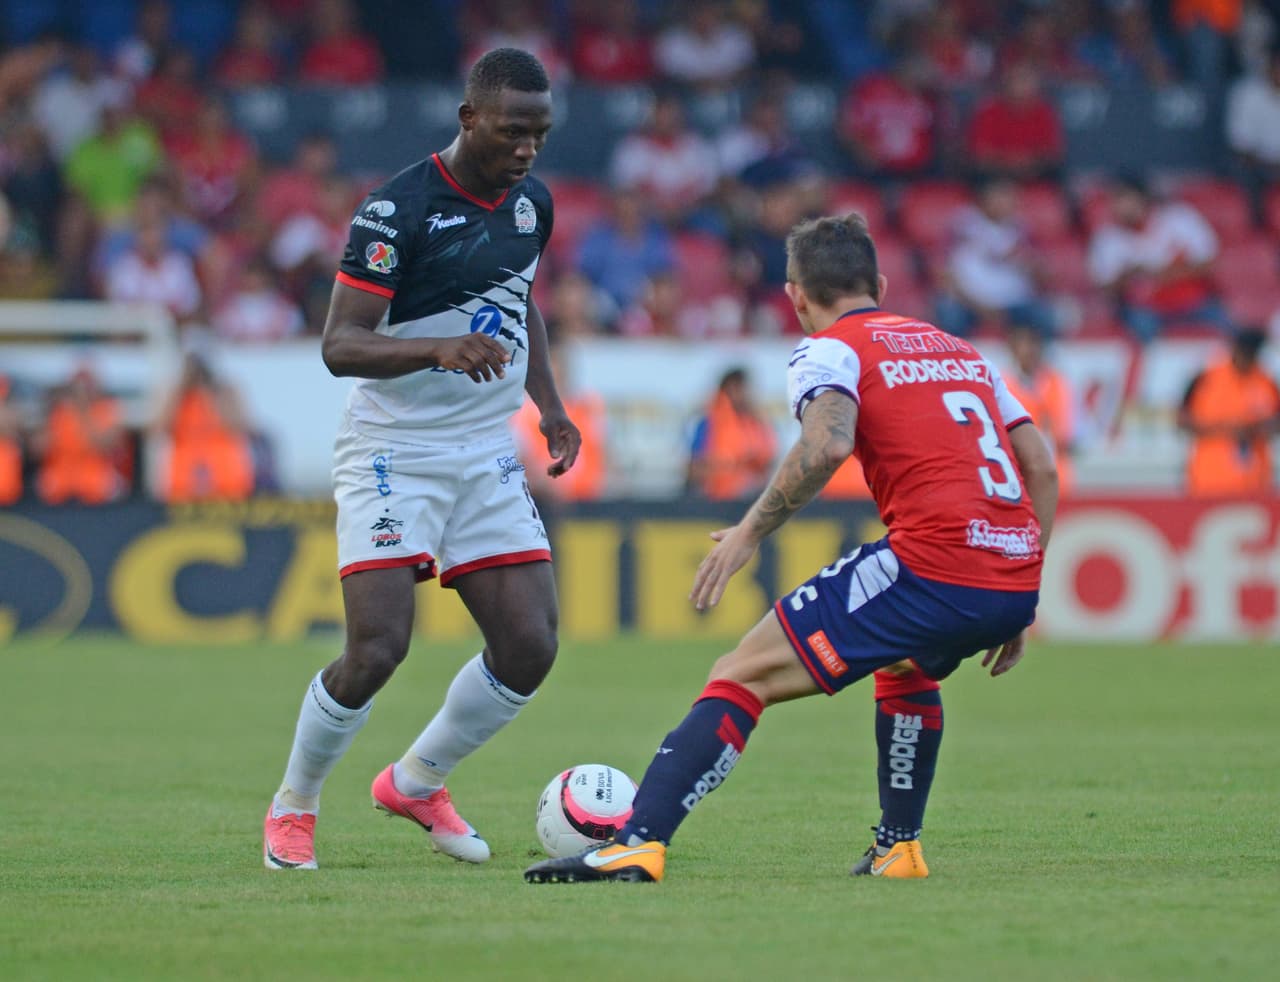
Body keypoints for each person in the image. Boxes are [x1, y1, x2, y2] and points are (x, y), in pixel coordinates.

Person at [524, 212, 1058, 885]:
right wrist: (1021, 588)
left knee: (741, 673)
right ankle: (900, 848)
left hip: (933, 562)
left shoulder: (831, 348)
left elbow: (829, 442)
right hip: (1012, 569)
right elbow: (1038, 465)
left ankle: (637, 842)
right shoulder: (962, 350)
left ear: (797, 296)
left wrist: (749, 531)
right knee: (905, 665)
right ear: (882, 283)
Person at [263, 48, 581, 872]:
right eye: (514, 131)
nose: (527, 150)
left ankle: (417, 780)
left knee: (530, 646)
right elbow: (340, 345)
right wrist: (441, 348)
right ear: (470, 117)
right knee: (376, 651)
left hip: (484, 449)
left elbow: (521, 304)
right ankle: (294, 805)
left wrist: (547, 404)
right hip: (392, 449)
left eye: (540, 134)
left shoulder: (530, 205)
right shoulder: (394, 211)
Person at [1177, 327, 1280, 496]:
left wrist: (1255, 429)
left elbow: (1276, 420)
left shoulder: (1266, 381)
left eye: (1253, 354)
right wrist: (1224, 429)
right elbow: (1182, 419)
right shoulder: (1206, 378)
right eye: (1246, 352)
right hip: (1209, 480)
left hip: (1255, 481)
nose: (1248, 359)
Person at [685, 367, 777, 501]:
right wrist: (724, 467)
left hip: (751, 500)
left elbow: (769, 462)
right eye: (734, 388)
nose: (740, 394)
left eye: (742, 388)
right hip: (715, 499)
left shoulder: (758, 423)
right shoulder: (708, 422)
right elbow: (693, 468)